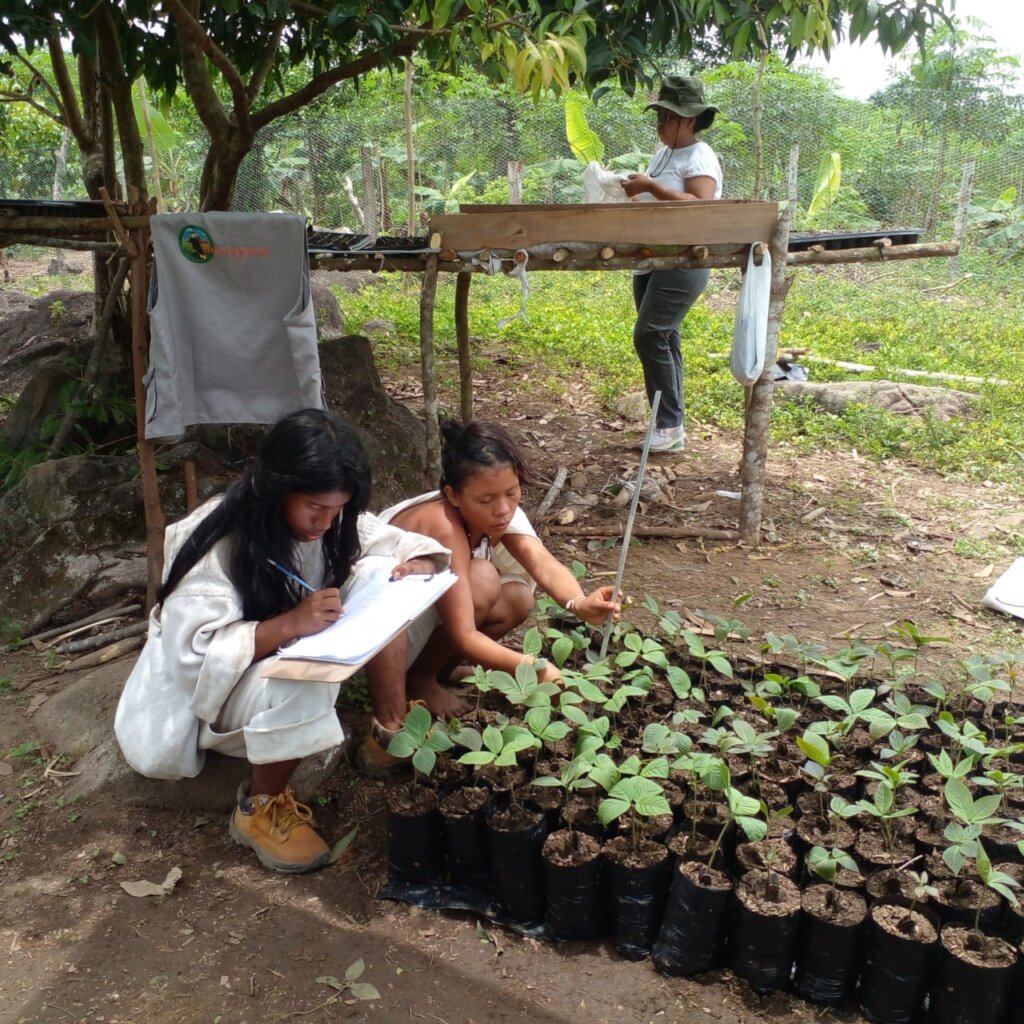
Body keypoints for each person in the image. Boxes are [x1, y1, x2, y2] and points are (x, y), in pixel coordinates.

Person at [114, 408, 451, 874]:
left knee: (384, 574)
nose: (325, 523)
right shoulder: (214, 540)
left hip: (271, 659)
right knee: (304, 678)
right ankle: (259, 808)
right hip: (200, 698)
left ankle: (390, 724)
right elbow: (194, 658)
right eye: (315, 507)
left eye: (336, 510)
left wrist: (418, 563)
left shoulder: (326, 517)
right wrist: (289, 625)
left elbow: (389, 541)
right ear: (278, 487)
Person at [363, 419, 621, 772]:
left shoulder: (495, 507)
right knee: (483, 578)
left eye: (512, 493)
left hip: (418, 623)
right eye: (487, 499)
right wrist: (540, 671)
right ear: (453, 495)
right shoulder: (443, 524)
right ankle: (397, 713)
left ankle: (430, 674)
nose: (503, 509)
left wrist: (580, 604)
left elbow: (542, 563)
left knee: (517, 598)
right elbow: (464, 635)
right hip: (376, 644)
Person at [621, 75, 723, 453]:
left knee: (649, 334)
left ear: (690, 119)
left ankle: (667, 426)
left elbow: (701, 205)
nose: (660, 124)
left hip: (685, 260)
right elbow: (657, 202)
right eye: (659, 116)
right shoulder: (662, 155)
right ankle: (670, 426)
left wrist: (651, 186)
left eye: (667, 117)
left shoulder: (700, 155)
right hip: (653, 258)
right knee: (664, 336)